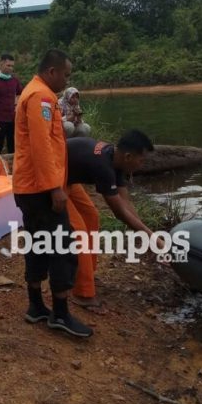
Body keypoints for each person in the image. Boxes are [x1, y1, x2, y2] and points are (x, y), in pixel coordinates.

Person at [13, 49, 92, 338]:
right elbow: (41, 146)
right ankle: (60, 312)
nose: (66, 81)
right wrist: (54, 188)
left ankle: (35, 306)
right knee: (61, 246)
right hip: (40, 189)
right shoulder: (41, 97)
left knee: (37, 243)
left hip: (30, 186)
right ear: (52, 72)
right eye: (66, 75)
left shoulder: (35, 93)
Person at [66, 130, 155, 311]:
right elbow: (119, 212)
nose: (142, 164)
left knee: (91, 216)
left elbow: (125, 203)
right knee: (79, 231)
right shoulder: (103, 166)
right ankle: (83, 293)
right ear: (129, 156)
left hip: (68, 178)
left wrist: (149, 235)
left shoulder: (116, 160)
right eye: (142, 160)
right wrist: (154, 239)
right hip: (53, 180)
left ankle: (87, 274)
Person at [0, 53, 23, 153]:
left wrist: (16, 104)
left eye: (12, 66)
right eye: (8, 65)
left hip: (13, 118)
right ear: (1, 64)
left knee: (13, 145)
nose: (11, 68)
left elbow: (20, 94)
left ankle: (13, 167)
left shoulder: (14, 80)